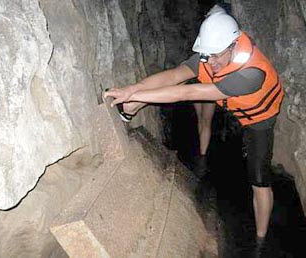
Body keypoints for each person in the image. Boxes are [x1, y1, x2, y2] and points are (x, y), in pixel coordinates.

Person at [104, 9, 284, 241]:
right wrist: (133, 90)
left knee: (259, 180)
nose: (211, 62)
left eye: (217, 56)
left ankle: (260, 239)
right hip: (231, 102)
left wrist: (138, 94)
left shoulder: (251, 74)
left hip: (259, 117)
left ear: (233, 45)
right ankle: (131, 108)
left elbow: (187, 91)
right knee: (156, 97)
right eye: (208, 56)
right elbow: (174, 76)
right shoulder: (211, 54)